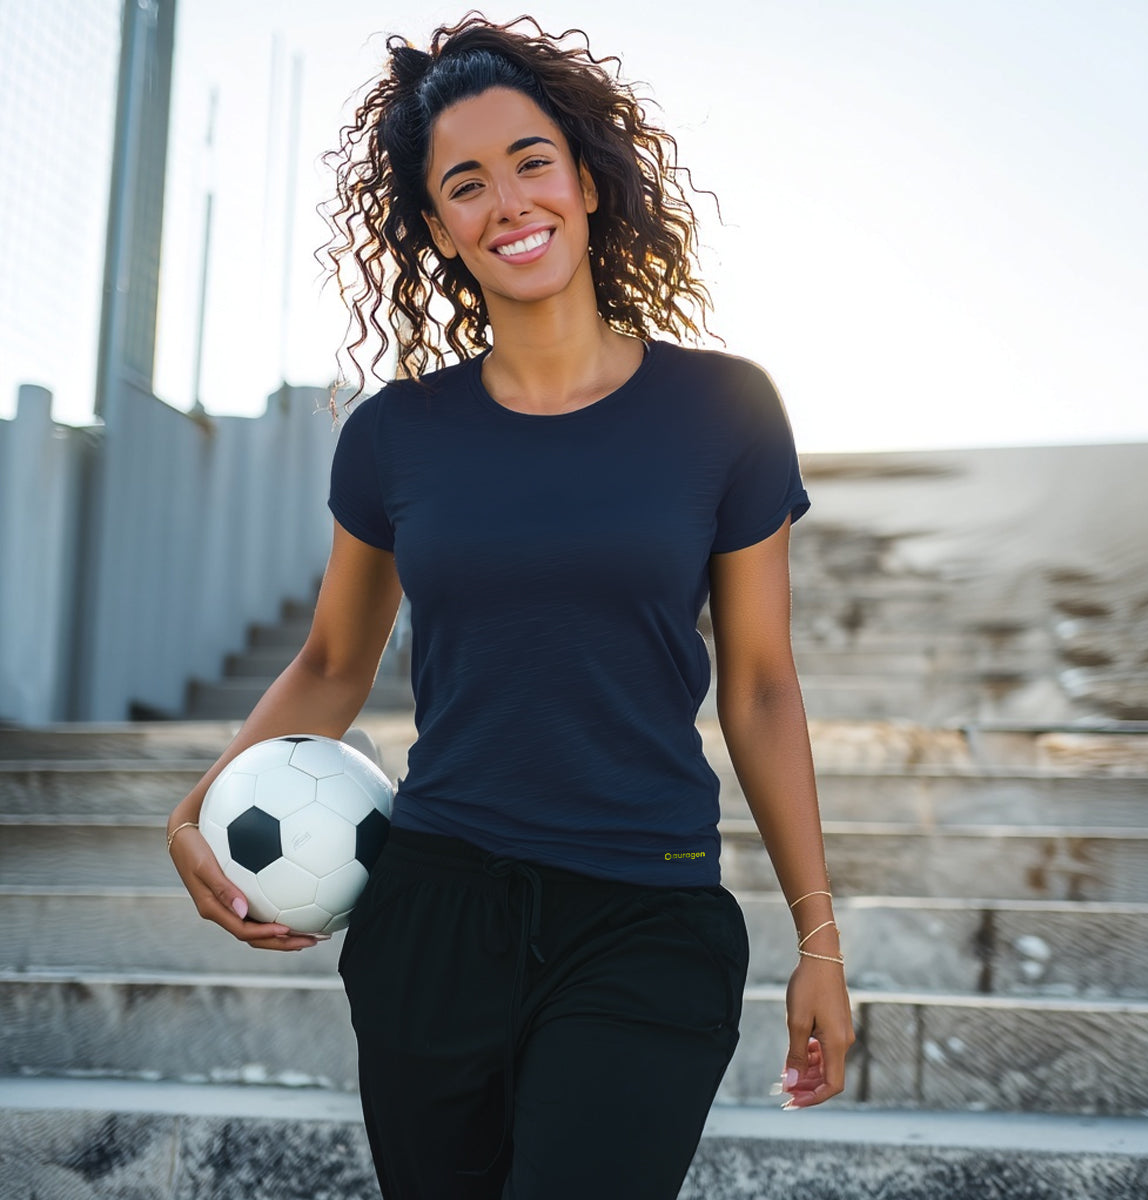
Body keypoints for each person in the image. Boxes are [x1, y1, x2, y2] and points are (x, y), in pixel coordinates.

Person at [167, 14, 854, 1198]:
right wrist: (201, 812)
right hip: (436, 917)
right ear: (439, 228)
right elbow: (333, 660)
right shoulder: (394, 437)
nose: (509, 201)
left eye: (532, 161)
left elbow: (758, 686)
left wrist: (821, 938)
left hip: (647, 918)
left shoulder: (724, 412)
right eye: (466, 183)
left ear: (586, 180)